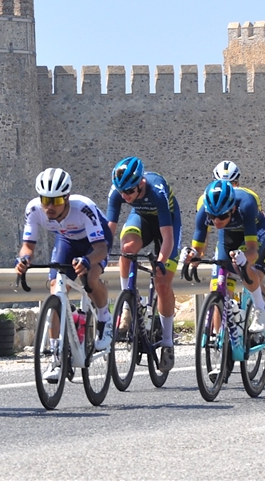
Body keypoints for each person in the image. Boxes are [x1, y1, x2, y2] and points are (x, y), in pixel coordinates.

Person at [16, 168, 113, 382]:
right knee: (56, 290)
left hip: (94, 243)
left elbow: (101, 249)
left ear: (67, 198)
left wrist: (87, 260)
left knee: (90, 278)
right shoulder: (33, 209)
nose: (50, 207)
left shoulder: (83, 208)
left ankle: (105, 319)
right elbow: (27, 246)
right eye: (45, 200)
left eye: (56, 201)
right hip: (66, 241)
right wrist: (23, 260)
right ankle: (56, 357)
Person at [106, 156, 181, 372]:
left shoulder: (157, 191)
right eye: (122, 192)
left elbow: (167, 238)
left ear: (141, 184)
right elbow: (108, 230)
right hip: (141, 218)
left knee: (162, 281)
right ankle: (128, 301)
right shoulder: (118, 191)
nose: (125, 196)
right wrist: (99, 254)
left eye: (129, 192)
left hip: (167, 224)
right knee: (127, 248)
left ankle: (167, 341)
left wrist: (161, 262)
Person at [186, 179, 265, 345]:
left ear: (232, 208)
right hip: (229, 235)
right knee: (222, 277)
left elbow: (252, 251)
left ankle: (260, 308)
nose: (217, 221)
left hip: (256, 232)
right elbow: (198, 249)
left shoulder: (246, 204)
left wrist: (245, 259)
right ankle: (224, 338)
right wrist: (191, 256)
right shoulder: (204, 211)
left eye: (222, 216)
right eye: (212, 217)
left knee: (243, 267)